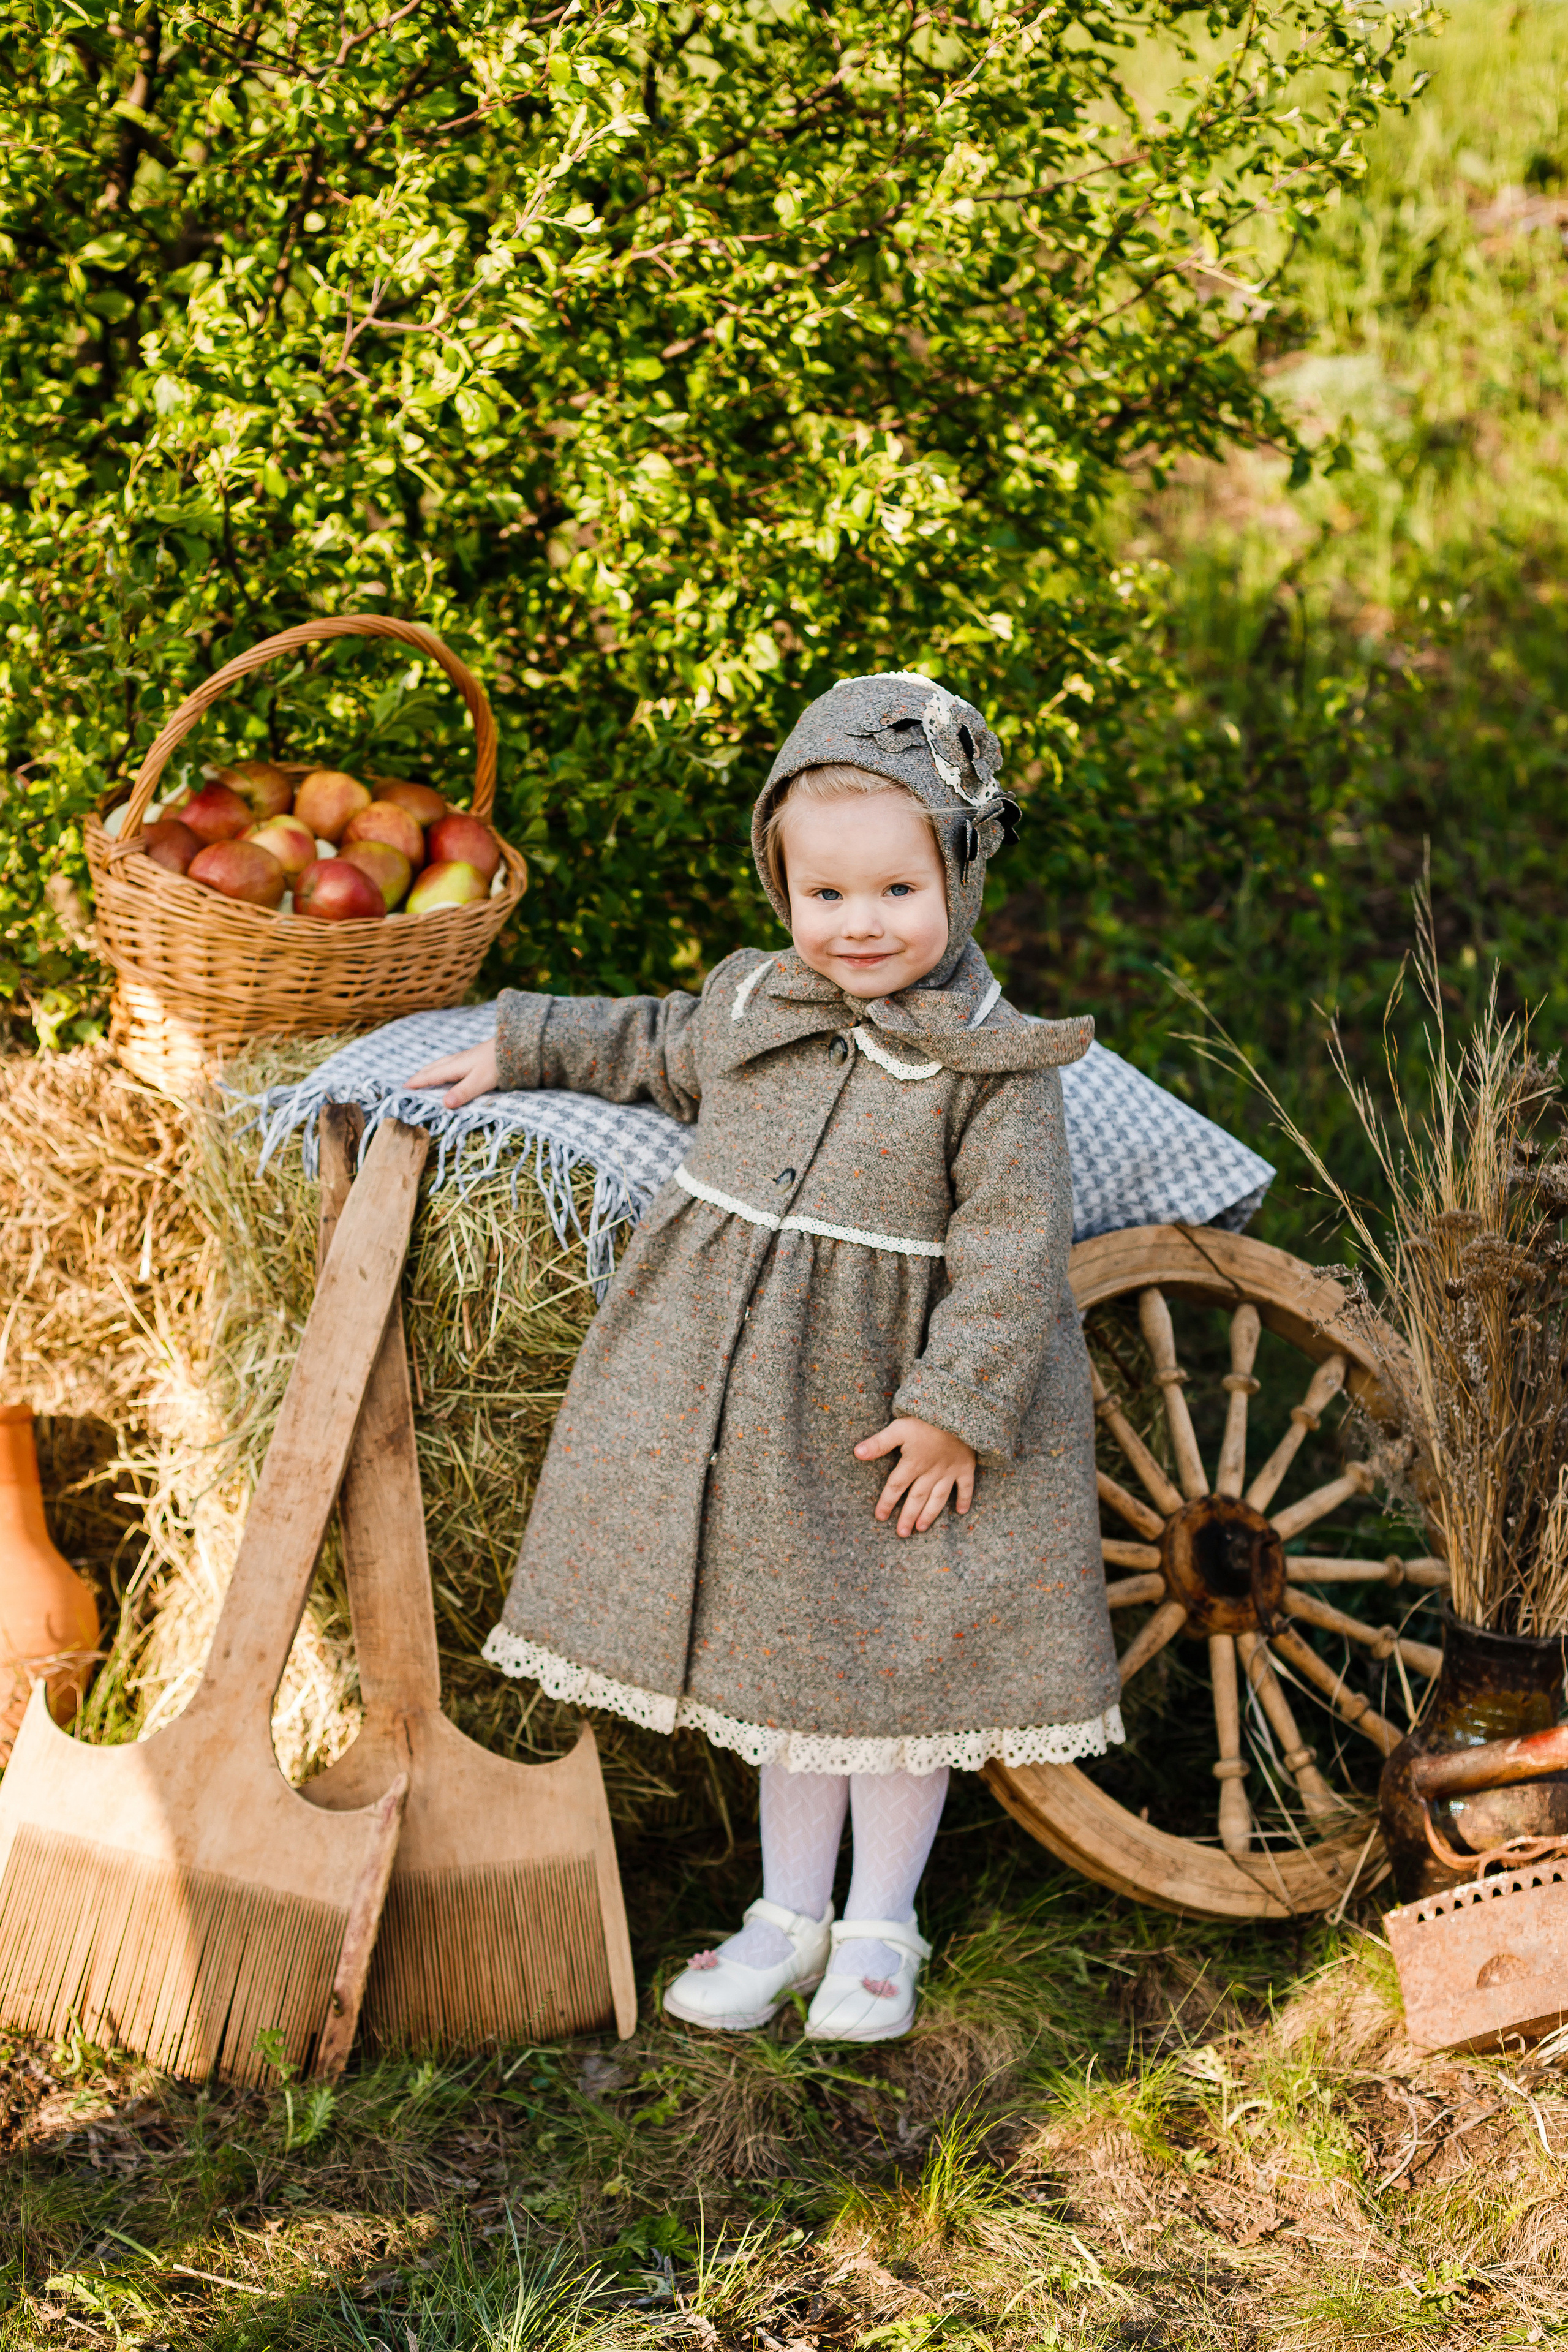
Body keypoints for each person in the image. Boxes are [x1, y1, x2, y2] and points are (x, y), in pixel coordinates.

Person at [409, 672, 1122, 2043]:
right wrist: (518, 1040)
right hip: (748, 1409)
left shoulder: (996, 1069)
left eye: (895, 895)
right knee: (786, 1682)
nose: (856, 928)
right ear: (780, 887)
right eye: (824, 897)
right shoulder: (753, 1005)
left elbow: (1014, 1253)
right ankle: (788, 1913)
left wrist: (956, 1408)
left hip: (885, 1413)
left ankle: (879, 1927)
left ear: (958, 884)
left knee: (894, 1680)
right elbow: (647, 1038)